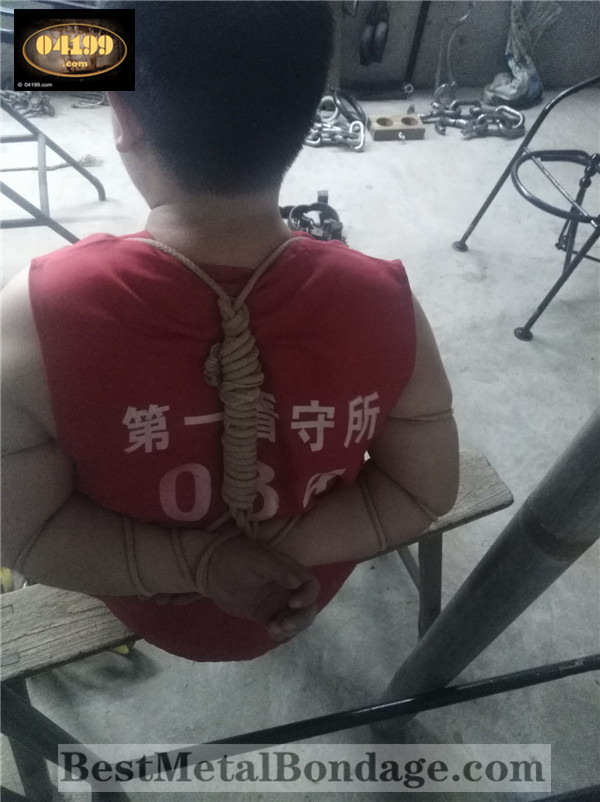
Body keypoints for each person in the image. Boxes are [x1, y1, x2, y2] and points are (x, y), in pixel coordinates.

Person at [1, 2, 459, 662]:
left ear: (124, 118)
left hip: (145, 601)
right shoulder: (385, 303)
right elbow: (423, 491)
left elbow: (25, 535)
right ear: (311, 114)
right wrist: (273, 557)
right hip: (307, 586)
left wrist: (203, 564)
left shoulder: (36, 310)